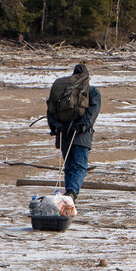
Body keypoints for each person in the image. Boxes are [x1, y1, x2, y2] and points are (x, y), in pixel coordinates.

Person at [46, 63, 101, 200]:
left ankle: (69, 194)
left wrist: (56, 127)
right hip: (81, 135)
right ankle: (71, 194)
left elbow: (50, 110)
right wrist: (81, 126)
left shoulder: (63, 90)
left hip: (63, 133)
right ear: (87, 77)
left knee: (69, 166)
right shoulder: (92, 92)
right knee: (79, 167)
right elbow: (92, 114)